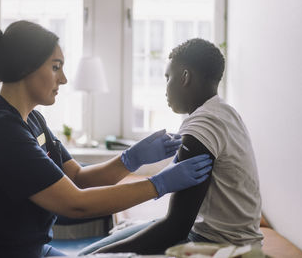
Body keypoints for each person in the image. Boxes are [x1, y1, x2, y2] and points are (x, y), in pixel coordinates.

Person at [0, 21, 213, 258]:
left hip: (30, 249)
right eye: (56, 67)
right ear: (27, 67)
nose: (64, 79)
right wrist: (159, 184)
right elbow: (75, 203)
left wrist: (132, 158)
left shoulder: (31, 119)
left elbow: (79, 178)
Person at [80, 38, 263, 255]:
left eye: (168, 77)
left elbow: (175, 229)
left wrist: (99, 256)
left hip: (219, 247)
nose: (165, 88)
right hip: (228, 239)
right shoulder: (225, 111)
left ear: (185, 77)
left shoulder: (204, 125)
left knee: (88, 255)